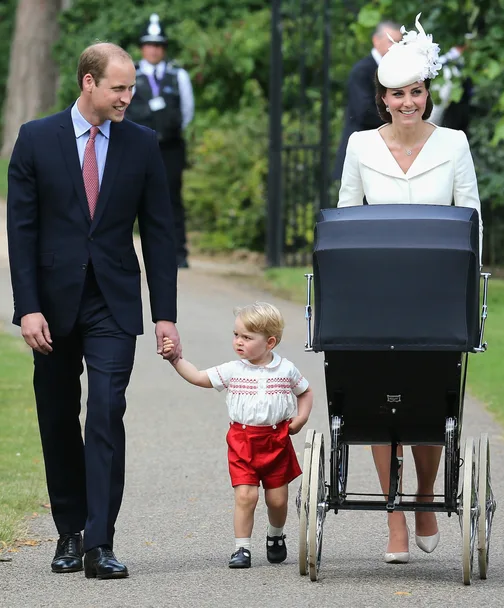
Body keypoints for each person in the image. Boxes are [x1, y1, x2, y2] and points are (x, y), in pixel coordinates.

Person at [7, 42, 181, 579]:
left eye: (130, 88)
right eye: (120, 88)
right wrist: (27, 309)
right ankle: (69, 532)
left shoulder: (142, 144)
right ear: (89, 83)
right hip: (52, 309)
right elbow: (22, 233)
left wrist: (165, 314)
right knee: (58, 418)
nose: (129, 97)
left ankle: (99, 542)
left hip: (113, 301)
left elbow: (158, 232)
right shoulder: (37, 139)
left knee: (106, 412)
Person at [337, 13, 483, 563]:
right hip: (373, 297)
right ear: (383, 97)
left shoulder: (454, 143)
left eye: (415, 92)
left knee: (428, 403)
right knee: (376, 405)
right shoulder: (360, 147)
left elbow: (470, 218)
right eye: (396, 94)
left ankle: (424, 496)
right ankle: (394, 515)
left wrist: (468, 286)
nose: (407, 103)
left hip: (436, 295)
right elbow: (347, 218)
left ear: (427, 93)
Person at [162, 302, 313, 569]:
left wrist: (300, 419)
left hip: (276, 440)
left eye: (246, 337)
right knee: (246, 496)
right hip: (242, 441)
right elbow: (198, 377)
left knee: (277, 500)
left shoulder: (285, 370)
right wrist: (176, 359)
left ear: (270, 342)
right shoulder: (233, 370)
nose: (238, 342)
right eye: (236, 335)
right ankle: (241, 548)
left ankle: (275, 535)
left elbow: (305, 392)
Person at [125, 13, 194, 269]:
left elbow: (187, 112)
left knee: (172, 200)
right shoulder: (130, 75)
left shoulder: (178, 76)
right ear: (142, 47)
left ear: (164, 48)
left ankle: (178, 253)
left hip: (170, 148)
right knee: (130, 199)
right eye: (149, 44)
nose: (153, 50)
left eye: (158, 45)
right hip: (136, 147)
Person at [332, 20, 402, 182]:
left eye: (399, 42)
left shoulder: (397, 70)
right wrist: (399, 121)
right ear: (376, 40)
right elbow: (364, 113)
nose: (396, 47)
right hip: (363, 154)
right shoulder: (362, 71)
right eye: (391, 41)